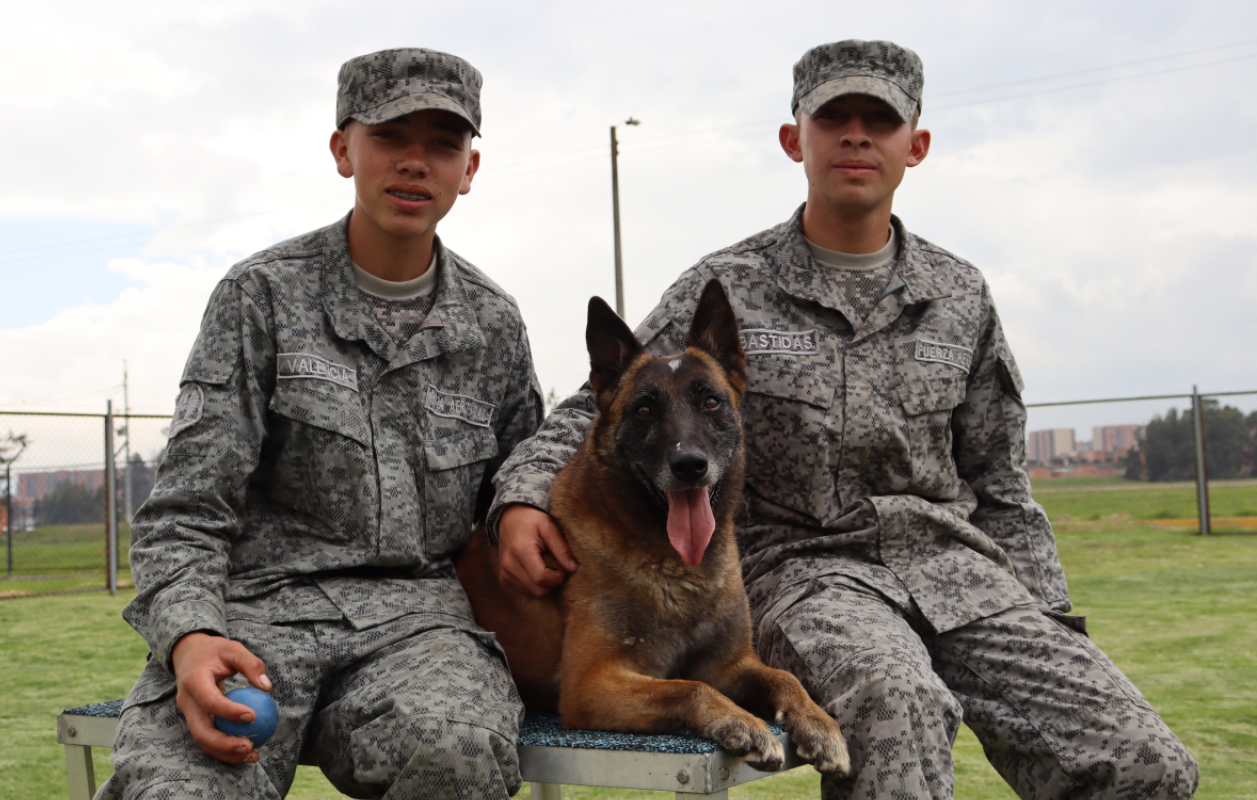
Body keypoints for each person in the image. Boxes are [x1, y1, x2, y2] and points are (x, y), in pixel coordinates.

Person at [490, 40, 1198, 800]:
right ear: (796, 138)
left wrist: (1051, 620)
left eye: (879, 120)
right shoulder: (728, 286)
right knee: (898, 712)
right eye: (834, 117)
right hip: (808, 575)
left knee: (1147, 765)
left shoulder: (959, 295)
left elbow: (1000, 481)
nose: (856, 135)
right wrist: (521, 501)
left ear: (914, 145)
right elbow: (603, 410)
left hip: (961, 577)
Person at [97, 48, 542, 800]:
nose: (415, 162)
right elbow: (185, 511)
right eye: (391, 137)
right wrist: (190, 636)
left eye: (442, 142)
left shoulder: (491, 325)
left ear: (469, 168)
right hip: (256, 614)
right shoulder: (262, 296)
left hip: (418, 629)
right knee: (178, 788)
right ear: (344, 150)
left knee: (459, 755)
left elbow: (526, 478)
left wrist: (529, 499)